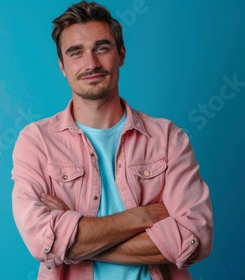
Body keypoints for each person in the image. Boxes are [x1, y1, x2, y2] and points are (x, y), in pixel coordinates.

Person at [11, 1, 214, 279]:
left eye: (102, 48)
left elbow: (196, 238)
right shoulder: (37, 142)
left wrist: (73, 241)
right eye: (76, 52)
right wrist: (141, 218)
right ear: (62, 65)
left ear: (121, 54)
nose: (91, 63)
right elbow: (41, 241)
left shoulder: (168, 138)